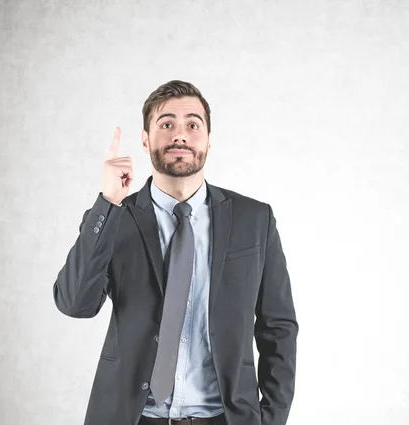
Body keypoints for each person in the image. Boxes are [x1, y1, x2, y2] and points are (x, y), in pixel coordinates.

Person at [53, 80, 298, 425]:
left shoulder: (254, 220)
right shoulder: (113, 218)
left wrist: (270, 418)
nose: (179, 135)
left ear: (208, 140)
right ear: (145, 139)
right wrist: (107, 203)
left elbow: (279, 326)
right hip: (132, 417)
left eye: (192, 125)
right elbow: (74, 303)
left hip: (224, 417)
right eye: (166, 124)